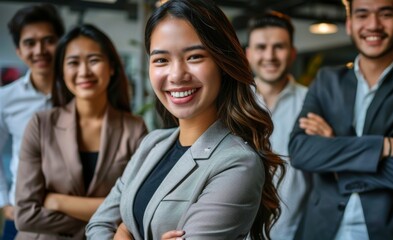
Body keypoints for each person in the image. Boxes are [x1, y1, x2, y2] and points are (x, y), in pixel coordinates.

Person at [86, 0, 284, 239]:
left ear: (223, 63)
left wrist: (124, 230)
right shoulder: (152, 143)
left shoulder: (237, 163)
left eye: (194, 57)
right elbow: (97, 225)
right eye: (161, 60)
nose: (177, 74)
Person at [289, 0, 393, 239]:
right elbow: (301, 152)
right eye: (363, 14)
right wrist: (384, 146)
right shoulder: (326, 80)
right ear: (350, 23)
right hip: (321, 227)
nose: (373, 25)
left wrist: (334, 150)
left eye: (385, 14)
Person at [14, 24, 148, 240]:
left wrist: (58, 201)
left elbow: (136, 208)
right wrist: (101, 222)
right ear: (62, 71)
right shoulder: (41, 124)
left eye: (94, 60)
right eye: (73, 63)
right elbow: (25, 215)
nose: (84, 71)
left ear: (112, 67)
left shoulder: (134, 128)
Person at [0, 4, 64, 239]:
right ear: (18, 50)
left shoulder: (79, 94)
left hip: (71, 211)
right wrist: (4, 202)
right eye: (29, 43)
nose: (39, 50)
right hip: (21, 211)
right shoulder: (5, 98)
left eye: (48, 40)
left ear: (61, 42)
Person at [245, 11, 310, 240]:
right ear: (249, 54)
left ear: (292, 53)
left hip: (297, 233)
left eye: (279, 47)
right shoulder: (232, 106)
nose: (270, 56)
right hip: (238, 233)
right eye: (261, 47)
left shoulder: (313, 103)